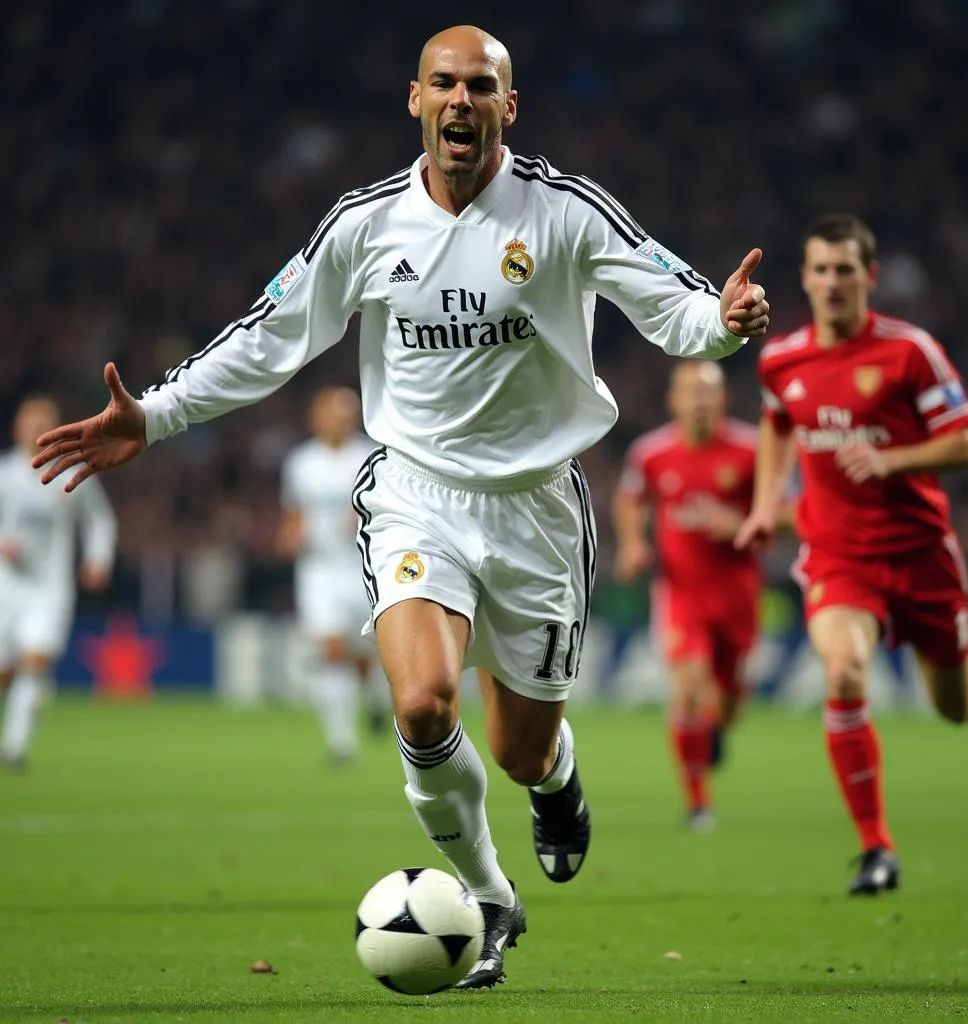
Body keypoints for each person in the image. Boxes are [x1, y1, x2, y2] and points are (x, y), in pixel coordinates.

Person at [33, 25, 769, 987]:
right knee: (423, 705)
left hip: (539, 508)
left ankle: (554, 778)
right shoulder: (364, 224)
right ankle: (490, 898)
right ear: (414, 101)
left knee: (519, 747)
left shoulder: (565, 212)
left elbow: (677, 308)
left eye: (480, 87)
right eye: (443, 85)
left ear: (511, 107)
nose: (460, 101)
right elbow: (271, 338)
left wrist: (723, 321)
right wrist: (158, 416)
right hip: (416, 492)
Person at [736, 213, 968, 896]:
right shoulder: (781, 358)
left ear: (870, 277)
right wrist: (766, 503)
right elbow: (777, 424)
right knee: (845, 671)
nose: (832, 282)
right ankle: (876, 849)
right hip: (837, 555)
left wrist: (892, 458)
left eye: (844, 270)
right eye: (821, 269)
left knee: (948, 703)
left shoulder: (909, 351)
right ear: (804, 277)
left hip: (921, 554)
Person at [614, 361, 760, 833]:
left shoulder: (751, 451)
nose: (698, 402)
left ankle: (717, 723)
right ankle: (699, 803)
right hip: (682, 593)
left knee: (731, 702)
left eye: (707, 393)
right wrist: (634, 544)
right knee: (690, 688)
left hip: (737, 593)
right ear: (672, 401)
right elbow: (629, 500)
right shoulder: (652, 454)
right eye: (689, 393)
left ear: (723, 400)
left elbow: (785, 509)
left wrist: (740, 525)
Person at [0, 395, 116, 768]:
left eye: (44, 421)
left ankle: (14, 749)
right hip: (6, 585)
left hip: (50, 587)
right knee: (5, 671)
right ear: (17, 427)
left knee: (34, 660)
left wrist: (97, 559)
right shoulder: (4, 474)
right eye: (31, 420)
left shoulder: (71, 471)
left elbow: (100, 519)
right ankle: (28, 709)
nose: (36, 427)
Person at [276, 386, 388, 760]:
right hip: (318, 570)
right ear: (316, 417)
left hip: (363, 566)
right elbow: (293, 515)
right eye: (330, 413)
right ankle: (342, 742)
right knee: (331, 647)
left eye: (345, 413)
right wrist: (290, 535)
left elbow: (390, 508)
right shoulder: (300, 463)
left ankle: (374, 699)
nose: (338, 420)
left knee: (362, 653)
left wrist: (365, 515)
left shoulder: (371, 456)